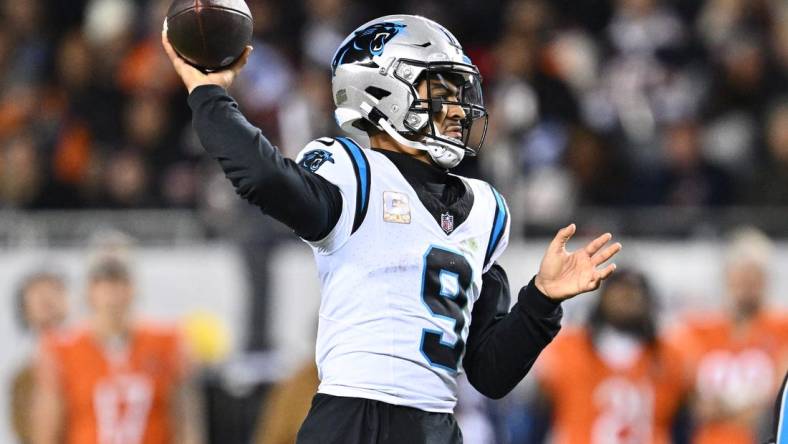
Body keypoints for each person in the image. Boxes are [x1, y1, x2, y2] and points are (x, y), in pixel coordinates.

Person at [162, 14, 622, 442]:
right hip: (354, 416)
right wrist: (208, 93)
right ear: (381, 91)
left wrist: (541, 300)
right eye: (440, 91)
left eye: (460, 93)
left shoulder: (484, 208)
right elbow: (263, 177)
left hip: (436, 423)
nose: (459, 109)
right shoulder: (353, 171)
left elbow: (490, 374)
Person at [32, 257, 202, 444]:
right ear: (90, 294)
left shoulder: (166, 342)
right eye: (106, 288)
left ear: (132, 291)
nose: (113, 298)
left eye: (119, 286)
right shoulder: (62, 349)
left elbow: (185, 418)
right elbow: (48, 424)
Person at [519, 269, 690, 443]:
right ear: (603, 299)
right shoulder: (568, 347)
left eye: (633, 294)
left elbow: (683, 421)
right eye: (620, 292)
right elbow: (539, 414)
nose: (627, 300)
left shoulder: (668, 356)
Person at [671, 227, 788, 444]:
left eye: (754, 276)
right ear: (727, 276)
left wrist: (727, 410)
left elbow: (778, 405)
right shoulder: (698, 329)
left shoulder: (783, 328)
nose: (747, 284)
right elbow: (694, 404)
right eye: (742, 274)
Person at [10, 269, 69, 444]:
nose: (46, 299)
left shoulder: (95, 356)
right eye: (37, 294)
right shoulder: (22, 378)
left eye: (53, 291)